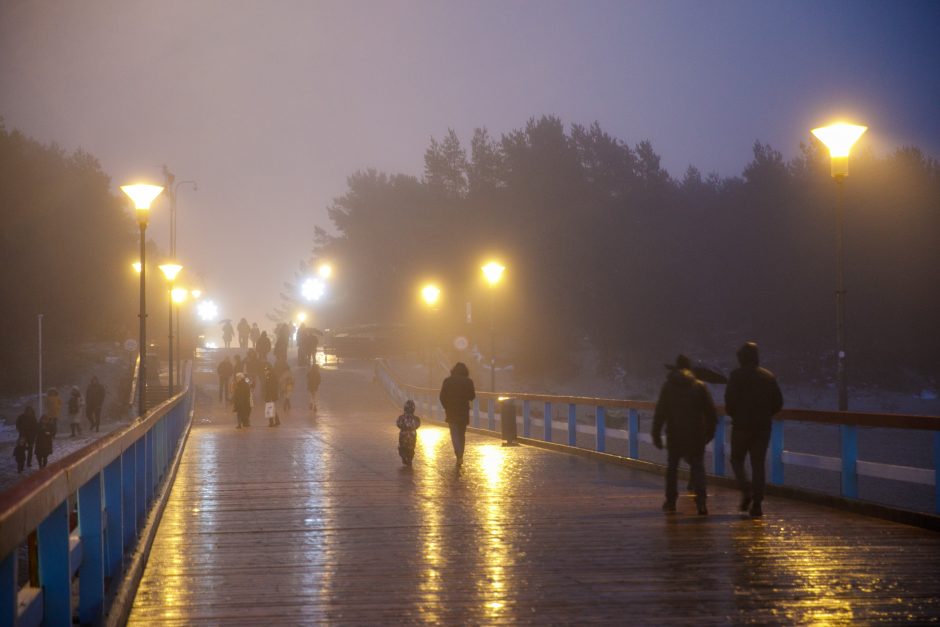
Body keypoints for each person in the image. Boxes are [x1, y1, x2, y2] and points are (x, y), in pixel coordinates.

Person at [651, 354, 717, 515]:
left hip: (675, 433)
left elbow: (661, 412)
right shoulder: (699, 386)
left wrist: (656, 434)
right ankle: (701, 502)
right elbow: (711, 413)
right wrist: (709, 433)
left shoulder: (668, 386)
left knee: (672, 468)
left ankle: (671, 502)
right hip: (696, 434)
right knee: (698, 467)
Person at [725, 341, 784, 518]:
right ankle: (757, 504)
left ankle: (746, 491)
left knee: (736, 459)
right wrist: (766, 414)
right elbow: (778, 403)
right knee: (758, 464)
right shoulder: (768, 377)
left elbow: (729, 403)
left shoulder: (736, 376)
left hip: (742, 427)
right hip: (762, 428)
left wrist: (736, 414)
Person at [439, 362, 476, 469]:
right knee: (461, 434)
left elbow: (442, 396)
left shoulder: (447, 381)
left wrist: (446, 406)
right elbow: (472, 396)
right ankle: (460, 455)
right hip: (463, 411)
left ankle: (458, 454)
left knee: (454, 434)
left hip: (451, 411)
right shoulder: (468, 381)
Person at [396, 400, 422, 467]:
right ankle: (409, 459)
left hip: (403, 434)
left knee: (402, 446)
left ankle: (404, 457)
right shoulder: (416, 418)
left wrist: (404, 427)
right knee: (411, 447)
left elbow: (398, 424)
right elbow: (417, 425)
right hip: (412, 434)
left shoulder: (401, 417)